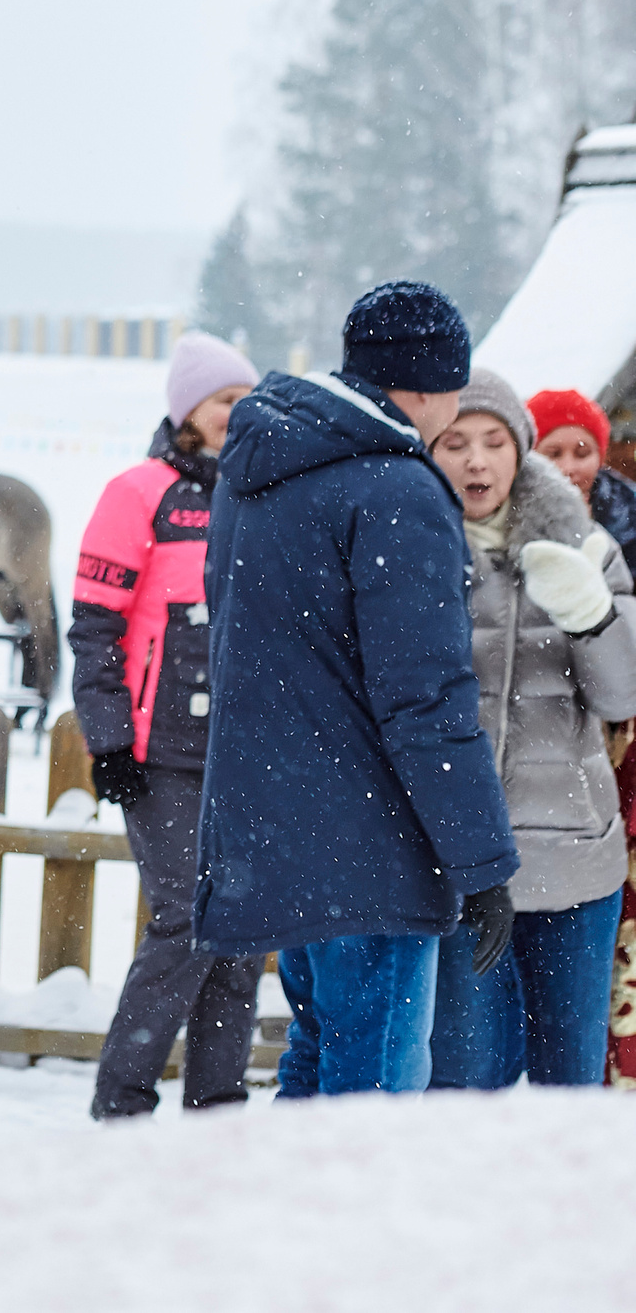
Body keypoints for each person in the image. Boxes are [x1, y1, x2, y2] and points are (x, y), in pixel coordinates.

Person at [197, 281, 519, 1096]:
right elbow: (425, 697)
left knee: (315, 1058)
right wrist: (482, 863)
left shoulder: (262, 465)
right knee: (373, 1092)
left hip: (282, 829)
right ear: (433, 384)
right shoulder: (395, 488)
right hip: (372, 844)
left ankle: (289, 1223)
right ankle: (346, 1229)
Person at [421, 371, 636, 1088]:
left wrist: (593, 614)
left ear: (520, 451)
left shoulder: (589, 547)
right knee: (466, 1081)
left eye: (493, 442)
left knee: (568, 1087)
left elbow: (622, 693)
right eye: (457, 443)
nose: (477, 460)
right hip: (461, 863)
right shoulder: (410, 549)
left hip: (575, 857)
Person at [73, 330, 268, 1119]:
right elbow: (94, 625)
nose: (238, 413)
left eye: (246, 400)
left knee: (244, 923)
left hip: (247, 750)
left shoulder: (262, 492)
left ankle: (218, 1102)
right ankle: (122, 1097)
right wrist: (109, 735)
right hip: (161, 753)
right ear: (189, 411)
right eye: (225, 400)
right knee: (186, 914)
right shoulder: (138, 492)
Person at [527, 387, 636, 561]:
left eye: (582, 453)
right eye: (553, 454)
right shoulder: (502, 515)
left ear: (600, 458)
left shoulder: (629, 512)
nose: (568, 468)